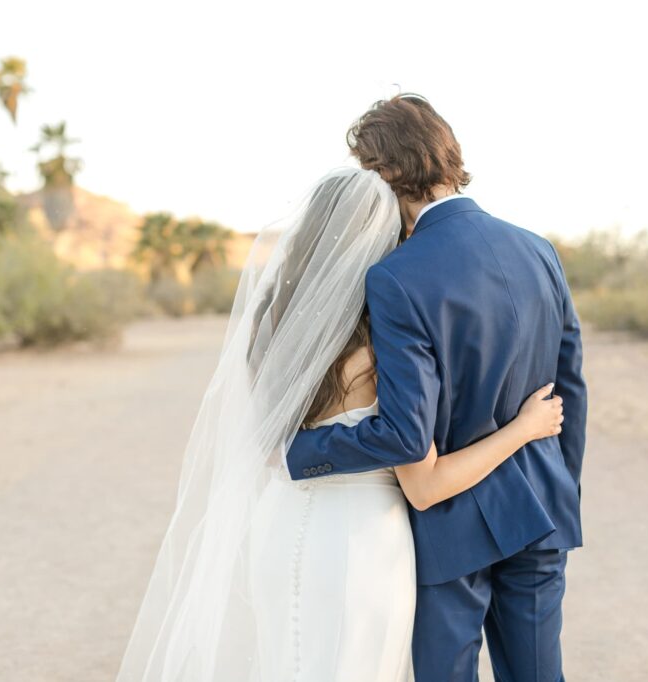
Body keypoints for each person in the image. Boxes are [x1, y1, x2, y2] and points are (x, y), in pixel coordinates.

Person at [116, 165, 564, 682]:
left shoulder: (273, 323)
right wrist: (524, 428)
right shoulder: (385, 338)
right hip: (362, 541)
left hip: (279, 526)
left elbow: (270, 441)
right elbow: (426, 480)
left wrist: (294, 454)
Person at [286, 94, 588, 681]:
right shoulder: (538, 250)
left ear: (389, 172)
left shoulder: (396, 275)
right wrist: (561, 487)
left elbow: (404, 431)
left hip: (450, 523)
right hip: (544, 504)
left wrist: (301, 451)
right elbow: (568, 388)